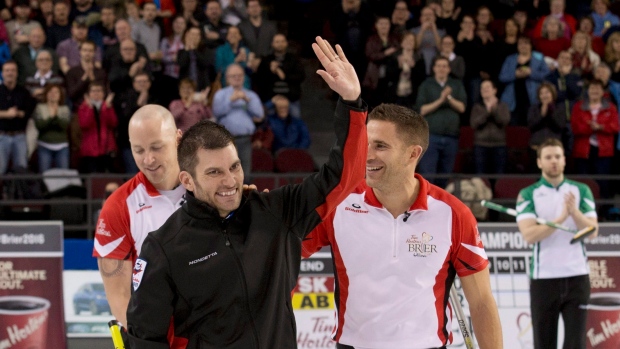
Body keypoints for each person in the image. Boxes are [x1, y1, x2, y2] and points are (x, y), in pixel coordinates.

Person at [125, 36, 368, 348]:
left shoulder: (277, 213)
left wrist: (351, 103)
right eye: (214, 172)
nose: (230, 181)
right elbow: (146, 340)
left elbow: (342, 178)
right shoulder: (164, 248)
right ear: (187, 179)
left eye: (234, 167)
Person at [302, 102, 502, 349]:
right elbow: (284, 252)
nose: (367, 154)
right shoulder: (339, 204)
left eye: (380, 146)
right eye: (365, 143)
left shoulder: (453, 214)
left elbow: (481, 301)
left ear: (412, 154)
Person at [516, 137, 599, 349]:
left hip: (576, 277)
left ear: (564, 160)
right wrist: (560, 219)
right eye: (548, 157)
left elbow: (592, 232)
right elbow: (530, 235)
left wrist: (575, 213)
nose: (553, 161)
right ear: (539, 162)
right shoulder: (528, 194)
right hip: (544, 279)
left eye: (557, 156)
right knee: (544, 343)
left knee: (576, 343)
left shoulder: (581, 190)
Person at [415, 55, 466, 186]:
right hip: (431, 137)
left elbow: (462, 108)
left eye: (444, 66)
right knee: (428, 175)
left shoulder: (456, 84)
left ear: (449, 69)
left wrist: (448, 97)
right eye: (439, 66)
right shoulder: (426, 85)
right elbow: (422, 110)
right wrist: (441, 99)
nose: (441, 69)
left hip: (451, 138)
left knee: (446, 176)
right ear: (434, 68)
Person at [212, 63, 263, 182]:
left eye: (240, 75)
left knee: (245, 174)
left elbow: (259, 114)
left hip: (245, 140)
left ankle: (245, 199)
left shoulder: (250, 95)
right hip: (225, 140)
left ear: (244, 77)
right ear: (227, 78)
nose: (237, 78)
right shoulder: (221, 94)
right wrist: (230, 101)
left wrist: (246, 100)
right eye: (233, 76)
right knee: (225, 173)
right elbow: (216, 112)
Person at [499, 36, 550, 126]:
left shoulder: (539, 58)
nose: (523, 46)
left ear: (530, 45)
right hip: (513, 100)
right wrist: (515, 74)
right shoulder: (510, 59)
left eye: (526, 43)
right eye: (520, 43)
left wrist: (531, 73)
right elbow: (502, 77)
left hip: (532, 100)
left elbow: (547, 75)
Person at [255, 33, 305, 118]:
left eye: (282, 41)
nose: (280, 44)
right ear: (272, 44)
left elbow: (301, 76)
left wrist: (283, 74)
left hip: (291, 98)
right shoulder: (266, 60)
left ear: (286, 43)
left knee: (296, 118)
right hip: (271, 98)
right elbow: (259, 80)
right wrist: (270, 71)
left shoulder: (293, 59)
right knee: (267, 121)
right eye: (277, 42)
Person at [0, 61, 36, 174]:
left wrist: (19, 113)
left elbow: (28, 112)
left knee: (21, 171)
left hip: (19, 136)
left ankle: (18, 192)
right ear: (2, 73)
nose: (10, 73)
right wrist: (7, 114)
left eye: (13, 70)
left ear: (17, 73)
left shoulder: (24, 92)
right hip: (1, 136)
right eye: (7, 70)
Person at [470, 79, 510, 174]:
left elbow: (504, 121)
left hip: (499, 145)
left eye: (487, 87)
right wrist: (487, 112)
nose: (484, 89)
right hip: (481, 145)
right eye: (482, 88)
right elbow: (474, 124)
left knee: (499, 176)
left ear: (494, 90)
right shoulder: (477, 107)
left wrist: (494, 109)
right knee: (481, 176)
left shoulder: (502, 106)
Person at [77, 82, 117, 173]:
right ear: (89, 94)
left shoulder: (108, 106)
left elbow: (113, 123)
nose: (96, 93)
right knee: (92, 176)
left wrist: (106, 108)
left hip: (106, 147)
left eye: (99, 91)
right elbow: (84, 124)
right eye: (93, 91)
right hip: (90, 148)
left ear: (103, 93)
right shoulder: (83, 107)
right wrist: (90, 108)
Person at [33, 84, 71, 172]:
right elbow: (40, 126)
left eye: (56, 92)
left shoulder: (65, 109)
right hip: (44, 145)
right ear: (46, 94)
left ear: (60, 95)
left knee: (63, 174)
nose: (53, 94)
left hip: (62, 146)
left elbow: (64, 126)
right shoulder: (40, 108)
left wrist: (54, 117)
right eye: (50, 92)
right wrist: (51, 117)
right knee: (44, 174)